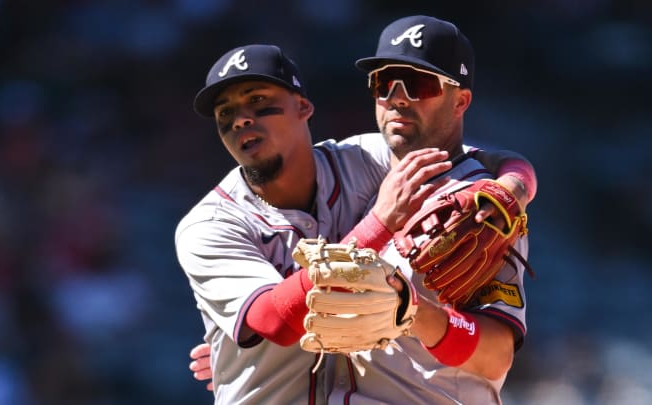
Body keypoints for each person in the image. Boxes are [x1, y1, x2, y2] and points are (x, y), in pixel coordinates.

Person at [177, 36, 535, 404]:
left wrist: (515, 185)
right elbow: (275, 323)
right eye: (225, 113)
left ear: (303, 107)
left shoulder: (364, 160)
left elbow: (473, 158)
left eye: (258, 100)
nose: (241, 119)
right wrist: (378, 226)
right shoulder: (210, 225)